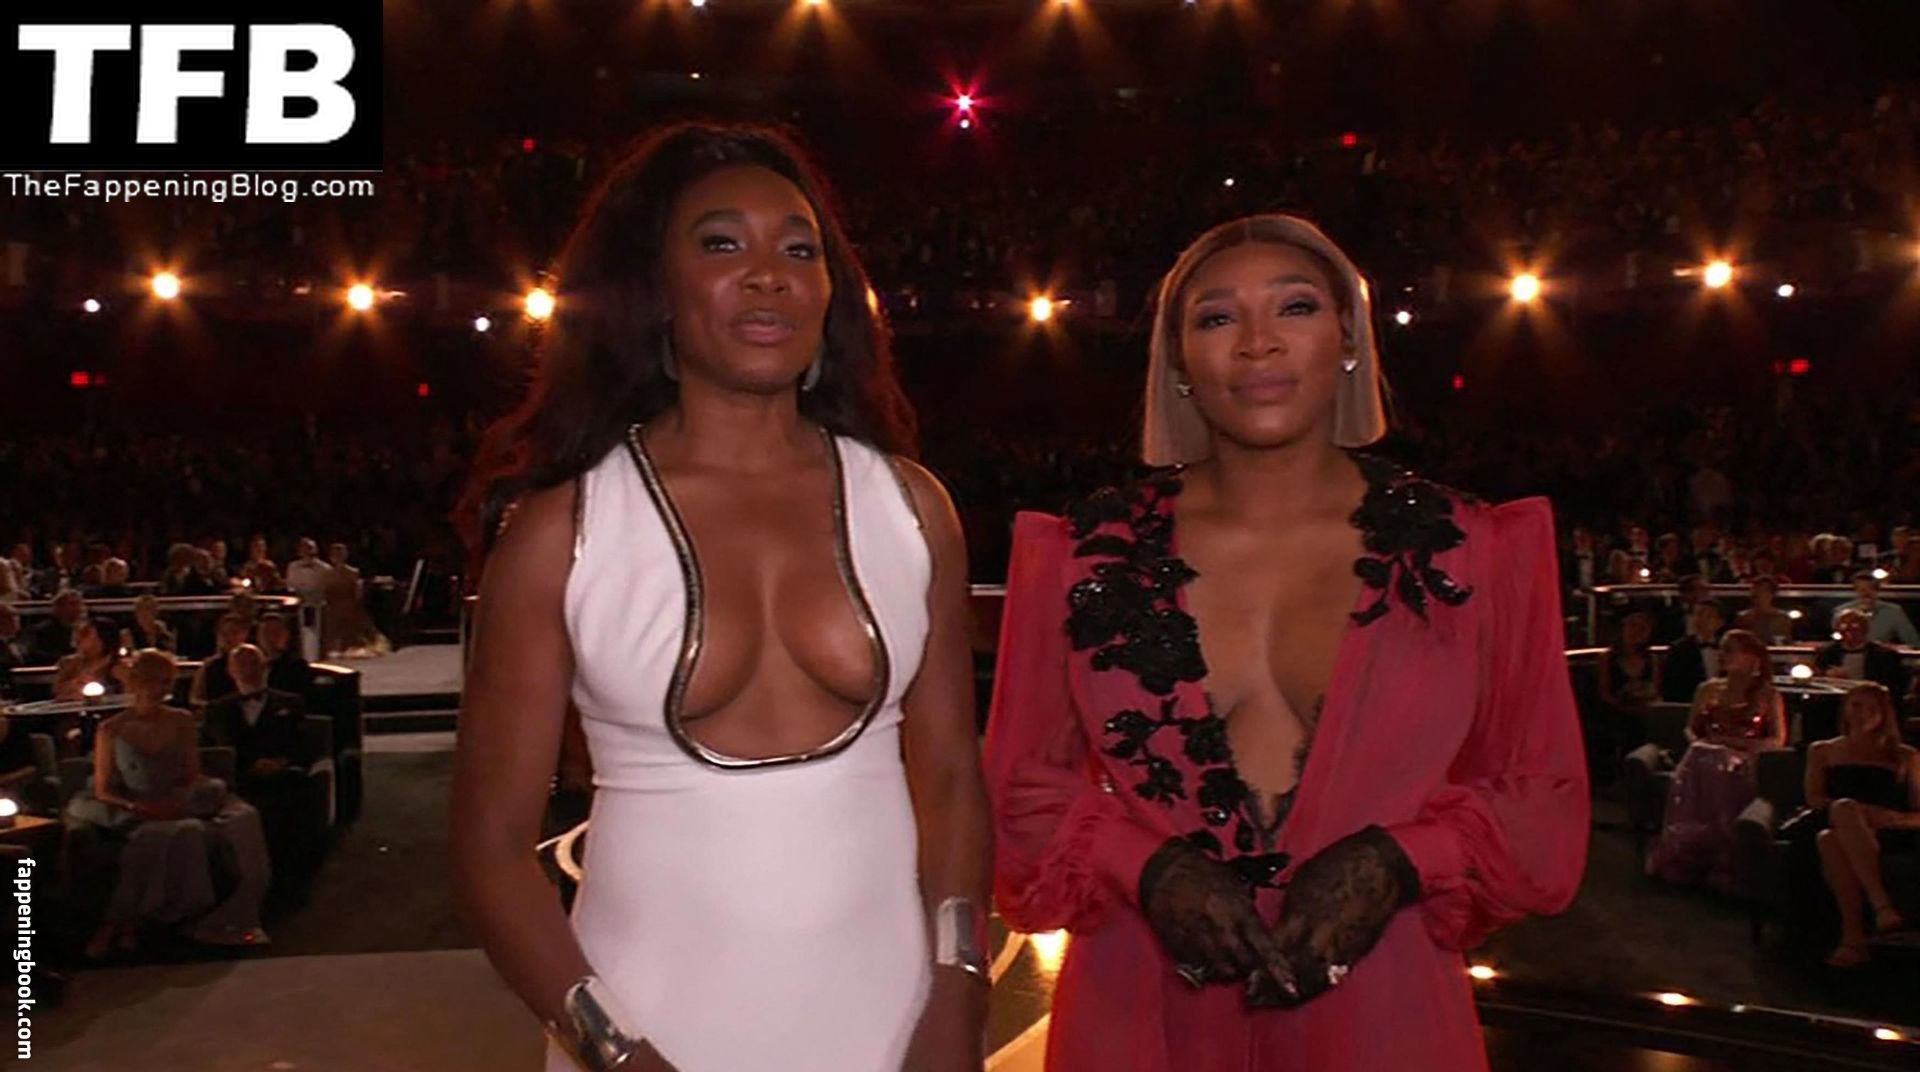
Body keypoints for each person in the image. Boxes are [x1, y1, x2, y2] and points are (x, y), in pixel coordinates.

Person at [986, 214, 1588, 1071]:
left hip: (1385, 1021)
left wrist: (1396, 861)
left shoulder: (1475, 552)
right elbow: (1018, 797)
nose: (1258, 342)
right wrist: (1143, 865)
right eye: (1217, 317)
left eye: (1294, 307)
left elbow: (1543, 799)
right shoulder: (1079, 557)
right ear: (1178, 361)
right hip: (1140, 1020)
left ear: (1349, 338)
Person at [450, 123, 990, 1072]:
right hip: (646, 1029)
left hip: (895, 1019)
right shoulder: (559, 535)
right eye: (722, 243)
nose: (768, 274)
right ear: (655, 289)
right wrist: (618, 1056)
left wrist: (959, 997)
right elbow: (491, 846)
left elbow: (949, 778)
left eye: (799, 249)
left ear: (831, 290)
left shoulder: (912, 508)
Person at [64, 650, 272, 958]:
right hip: (134, 806)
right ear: (135, 682)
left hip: (178, 803)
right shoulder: (111, 729)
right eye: (152, 681)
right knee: (158, 835)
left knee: (192, 829)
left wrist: (178, 801)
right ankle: (119, 922)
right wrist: (137, 808)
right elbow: (103, 789)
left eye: (165, 682)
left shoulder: (182, 720)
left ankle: (125, 923)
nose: (158, 689)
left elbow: (192, 775)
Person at [1646, 629, 1789, 891]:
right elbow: (1690, 729)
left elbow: (1777, 739)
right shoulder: (1708, 689)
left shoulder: (1768, 694)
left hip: (1744, 760)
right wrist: (1703, 743)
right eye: (1722, 649)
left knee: (1717, 758)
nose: (1722, 655)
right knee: (1705, 755)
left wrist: (1730, 743)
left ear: (1752, 657)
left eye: (1730, 650)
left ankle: (1724, 853)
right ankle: (1689, 851)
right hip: (1703, 755)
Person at [1806, 683, 1919, 967]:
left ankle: (1853, 940)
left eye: (1871, 708)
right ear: (1845, 709)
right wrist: (1858, 811)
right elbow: (1814, 799)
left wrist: (1892, 817)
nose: (1862, 713)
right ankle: (1881, 904)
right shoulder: (1822, 750)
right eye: (1856, 705)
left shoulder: (1906, 756)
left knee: (1830, 841)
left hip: (1886, 831)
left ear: (1884, 714)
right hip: (1832, 816)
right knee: (1843, 809)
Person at [202, 645, 317, 875]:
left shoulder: (291, 703)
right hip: (237, 781)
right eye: (241, 664)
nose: (248, 670)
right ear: (231, 671)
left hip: (281, 779)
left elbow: (304, 744)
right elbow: (211, 750)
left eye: (254, 663)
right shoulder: (217, 710)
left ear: (265, 667)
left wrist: (281, 762)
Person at [1814, 607, 1911, 698]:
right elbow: (1818, 680)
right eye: (1845, 630)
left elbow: (1895, 685)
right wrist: (1829, 676)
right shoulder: (1828, 652)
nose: (1850, 635)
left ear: (1865, 630)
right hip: (1835, 698)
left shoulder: (1884, 655)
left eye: (1855, 629)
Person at [318, 543, 389, 657]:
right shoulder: (326, 574)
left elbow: (356, 592)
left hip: (349, 607)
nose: (337, 557)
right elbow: (325, 592)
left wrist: (355, 606)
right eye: (335, 554)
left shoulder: (353, 572)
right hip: (332, 609)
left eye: (340, 554)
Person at [1829, 571, 1920, 648]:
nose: (1865, 593)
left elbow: (1914, 643)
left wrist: (1889, 648)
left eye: (1871, 588)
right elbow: (1834, 643)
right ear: (1854, 591)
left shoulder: (1894, 611)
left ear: (1878, 590)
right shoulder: (1841, 612)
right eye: (1861, 589)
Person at [1661, 600, 1726, 703]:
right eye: (1698, 614)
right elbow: (1671, 685)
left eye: (1708, 616)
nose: (1701, 619)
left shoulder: (1726, 646)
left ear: (1720, 622)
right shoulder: (1680, 649)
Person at [1599, 611, 1660, 712]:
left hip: (1645, 712)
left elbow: (1655, 691)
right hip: (1614, 712)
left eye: (1642, 628)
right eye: (1632, 626)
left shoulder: (1652, 659)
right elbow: (1604, 694)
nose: (1636, 631)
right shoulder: (1607, 658)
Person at [52, 619, 125, 702]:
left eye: (85, 634)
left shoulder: (119, 668)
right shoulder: (68, 663)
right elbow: (57, 691)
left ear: (102, 641)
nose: (78, 639)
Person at [1733, 576, 1793, 645]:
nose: (1757, 593)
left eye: (1762, 590)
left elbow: (1786, 642)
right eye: (1755, 589)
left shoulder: (1782, 618)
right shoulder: (1743, 617)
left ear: (1772, 594)